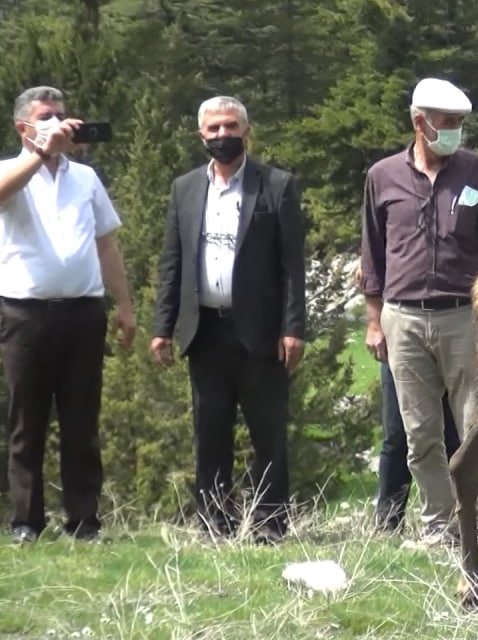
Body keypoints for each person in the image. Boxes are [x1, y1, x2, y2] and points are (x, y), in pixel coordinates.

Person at [151, 96, 307, 545]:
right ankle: (214, 525)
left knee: (268, 434)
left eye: (231, 126)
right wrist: (163, 327)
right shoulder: (184, 189)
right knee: (210, 433)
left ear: (246, 131)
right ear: (202, 135)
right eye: (214, 128)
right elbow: (172, 262)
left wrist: (293, 328)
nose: (223, 135)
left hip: (260, 332)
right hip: (204, 331)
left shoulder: (276, 186)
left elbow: (291, 266)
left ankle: (269, 526)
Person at [360, 77, 478, 547]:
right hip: (402, 319)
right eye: (446, 124)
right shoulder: (382, 177)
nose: (454, 132)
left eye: (460, 124)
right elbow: (372, 253)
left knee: (475, 426)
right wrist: (373, 319)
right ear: (419, 122)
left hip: (464, 316)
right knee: (419, 432)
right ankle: (439, 526)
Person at [0, 86, 136, 544]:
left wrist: (124, 304)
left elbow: (106, 244)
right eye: (46, 116)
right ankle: (26, 522)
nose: (59, 123)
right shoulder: (10, 171)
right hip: (24, 314)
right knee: (27, 422)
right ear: (24, 127)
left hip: (82, 311)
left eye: (62, 115)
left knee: (82, 421)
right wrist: (41, 154)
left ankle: (83, 522)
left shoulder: (86, 177)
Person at [359, 259, 463, 532]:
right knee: (398, 434)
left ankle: (462, 522)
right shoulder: (388, 215)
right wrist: (374, 322)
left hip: (454, 322)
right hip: (402, 324)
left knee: (455, 435)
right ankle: (388, 522)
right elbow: (371, 264)